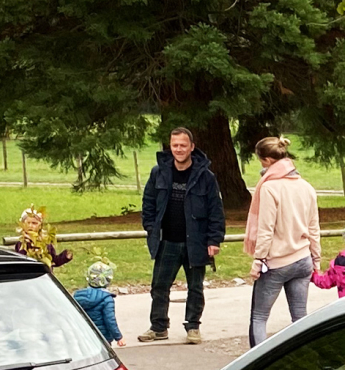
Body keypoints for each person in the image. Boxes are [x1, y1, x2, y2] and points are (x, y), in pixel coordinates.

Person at [139, 125, 224, 344]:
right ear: (170, 146)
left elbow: (216, 210)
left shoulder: (206, 177)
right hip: (167, 241)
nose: (179, 149)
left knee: (195, 287)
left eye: (183, 145)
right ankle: (158, 327)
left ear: (192, 147)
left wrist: (214, 240)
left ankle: (193, 327)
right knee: (159, 286)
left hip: (196, 241)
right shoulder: (159, 172)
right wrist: (150, 226)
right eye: (175, 145)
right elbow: (148, 202)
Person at [244, 135, 320, 347]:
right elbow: (314, 227)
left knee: (259, 317)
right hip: (303, 258)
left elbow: (265, 228)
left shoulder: (269, 188)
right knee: (300, 316)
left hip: (277, 262)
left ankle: (256, 361)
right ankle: (305, 354)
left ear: (267, 161)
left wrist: (258, 260)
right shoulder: (306, 186)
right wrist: (316, 258)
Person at [72, 257, 123, 346]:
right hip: (102, 337)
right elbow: (110, 320)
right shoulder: (106, 299)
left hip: (83, 336)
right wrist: (118, 337)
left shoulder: (78, 296)